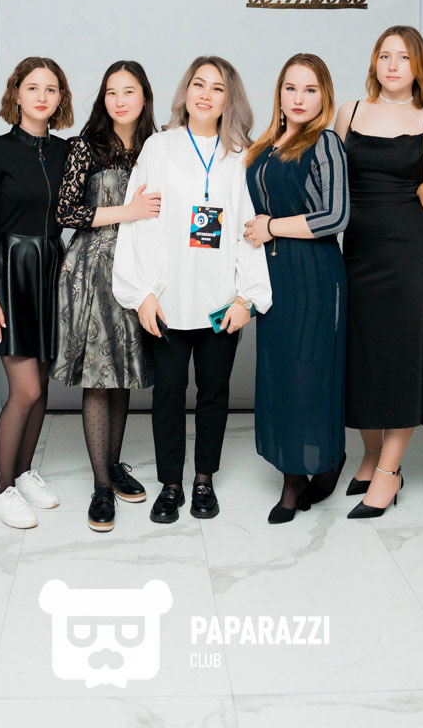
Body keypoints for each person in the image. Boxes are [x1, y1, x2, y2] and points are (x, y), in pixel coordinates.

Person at [113, 56, 272, 524]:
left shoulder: (242, 156)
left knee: (214, 392)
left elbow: (249, 229)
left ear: (229, 99)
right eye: (198, 84)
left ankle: (203, 479)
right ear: (185, 92)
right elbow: (139, 222)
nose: (205, 94)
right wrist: (143, 293)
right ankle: (171, 484)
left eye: (217, 88)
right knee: (168, 393)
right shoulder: (159, 147)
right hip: (168, 298)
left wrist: (246, 298)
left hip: (221, 301)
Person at [333, 26, 423, 520]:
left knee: (401, 363)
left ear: (417, 66)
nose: (392, 65)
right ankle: (369, 455)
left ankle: (389, 471)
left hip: (410, 258)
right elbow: (330, 184)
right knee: (361, 360)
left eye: (403, 57)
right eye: (384, 56)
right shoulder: (349, 112)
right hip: (357, 256)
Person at [54, 61, 160, 533]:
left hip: (140, 268)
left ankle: (114, 466)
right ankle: (100, 486)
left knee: (122, 375)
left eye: (129, 91)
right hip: (94, 268)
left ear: (144, 96)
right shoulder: (87, 145)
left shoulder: (157, 146)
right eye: (111, 92)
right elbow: (66, 211)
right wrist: (128, 211)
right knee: (99, 378)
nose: (120, 100)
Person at [244, 53, 351, 523]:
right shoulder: (263, 146)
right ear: (279, 93)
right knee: (280, 373)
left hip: (314, 275)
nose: (299, 98)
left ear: (324, 96)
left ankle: (315, 468)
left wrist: (270, 226)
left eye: (310, 89)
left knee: (309, 374)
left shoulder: (325, 142)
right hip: (272, 277)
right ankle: (296, 469)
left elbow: (335, 216)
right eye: (291, 88)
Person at [0, 57, 74, 529]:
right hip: (11, 273)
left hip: (52, 269)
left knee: (43, 386)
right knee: (26, 388)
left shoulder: (66, 152)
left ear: (60, 99)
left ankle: (25, 472)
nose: (41, 96)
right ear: (17, 94)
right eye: (32, 87)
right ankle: (2, 490)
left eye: (51, 89)